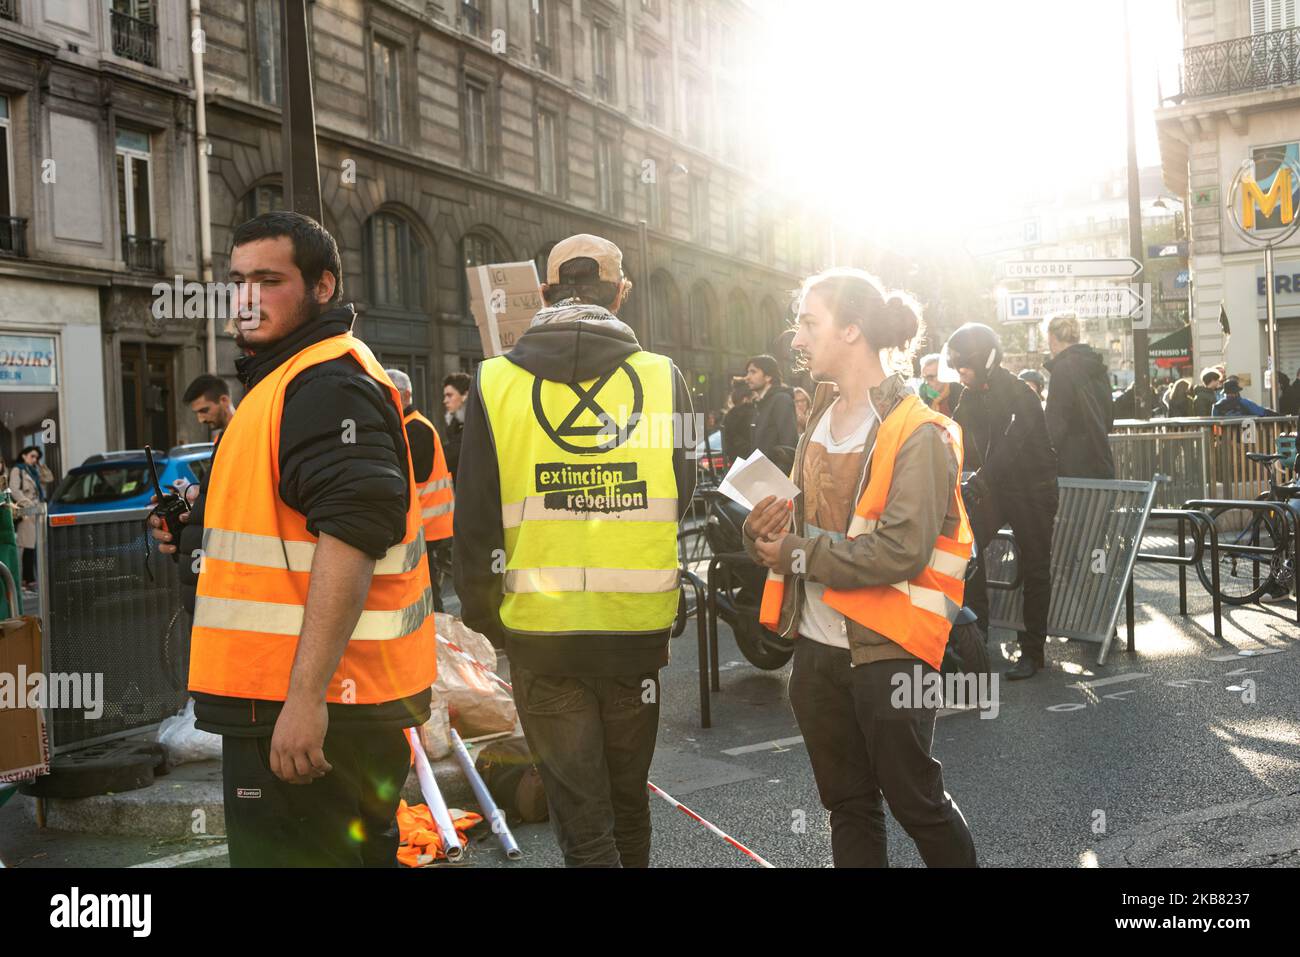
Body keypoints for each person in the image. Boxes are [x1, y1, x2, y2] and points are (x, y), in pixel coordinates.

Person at [147, 211, 436, 868]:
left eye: (269, 280)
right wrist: (194, 533)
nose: (247, 297)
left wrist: (304, 699)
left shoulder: (322, 378)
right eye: (238, 280)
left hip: (309, 711)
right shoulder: (289, 379)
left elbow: (354, 532)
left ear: (323, 286)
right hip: (309, 704)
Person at [454, 233, 696, 868]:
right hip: (635, 630)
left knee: (583, 821)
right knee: (628, 804)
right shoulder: (663, 378)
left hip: (542, 635)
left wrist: (489, 622)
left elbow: (475, 519)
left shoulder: (493, 382)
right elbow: (684, 487)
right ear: (622, 294)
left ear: (543, 294)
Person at [744, 267, 976, 868]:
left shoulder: (918, 430)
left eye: (808, 323)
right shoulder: (817, 417)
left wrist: (796, 549)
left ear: (851, 330)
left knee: (916, 802)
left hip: (889, 651)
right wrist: (762, 534)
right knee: (848, 807)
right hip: (818, 652)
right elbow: (804, 527)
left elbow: (901, 551)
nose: (796, 339)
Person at [949, 323, 1059, 680]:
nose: (959, 372)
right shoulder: (969, 395)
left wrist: (979, 481)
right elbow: (950, 435)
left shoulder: (1019, 395)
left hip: (1033, 489)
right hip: (997, 488)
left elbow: (1010, 447)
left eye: (964, 364)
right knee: (970, 547)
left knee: (1035, 566)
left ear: (986, 360)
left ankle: (1032, 651)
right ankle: (977, 632)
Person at [386, 368, 455, 614]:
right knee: (426, 588)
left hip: (426, 524)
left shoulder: (415, 428)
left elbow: (409, 475)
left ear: (404, 395)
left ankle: (439, 641)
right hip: (425, 523)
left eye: (387, 393)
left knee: (428, 591)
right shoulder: (408, 426)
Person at [1041, 312, 1115, 479]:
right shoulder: (1097, 366)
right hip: (1101, 462)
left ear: (1052, 338)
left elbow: (1055, 425)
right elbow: (1108, 417)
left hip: (1072, 470)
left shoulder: (1063, 370)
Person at [745, 354, 799, 474]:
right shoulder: (761, 403)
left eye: (753, 372)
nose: (747, 377)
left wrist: (777, 481)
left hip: (774, 481)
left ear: (768, 376)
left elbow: (789, 446)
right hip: (761, 478)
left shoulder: (781, 400)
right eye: (747, 372)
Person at [7, 446, 44, 590]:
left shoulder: (34, 471)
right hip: (26, 511)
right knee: (27, 545)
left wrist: (40, 466)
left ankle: (29, 578)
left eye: (37, 457)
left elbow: (49, 478)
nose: (34, 459)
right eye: (32, 456)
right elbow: (14, 489)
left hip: (36, 510)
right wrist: (27, 505)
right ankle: (26, 579)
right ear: (23, 455)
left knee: (34, 545)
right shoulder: (18, 470)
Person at [182, 374, 238, 440]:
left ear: (224, 400)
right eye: (196, 413)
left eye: (204, 410)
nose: (201, 420)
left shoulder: (247, 432)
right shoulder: (220, 440)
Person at [441, 372, 470, 482]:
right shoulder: (456, 425)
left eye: (449, 395)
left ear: (464, 396)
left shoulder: (473, 427)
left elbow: (451, 457)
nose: (445, 401)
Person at [722, 376, 756, 464]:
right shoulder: (754, 412)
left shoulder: (728, 416)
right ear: (746, 398)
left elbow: (726, 444)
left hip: (736, 464)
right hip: (754, 461)